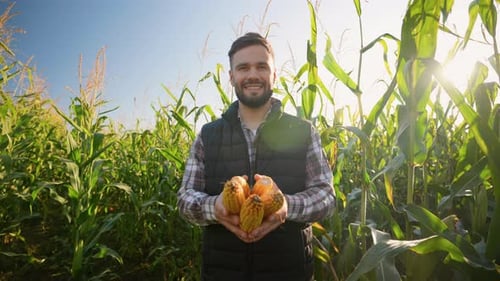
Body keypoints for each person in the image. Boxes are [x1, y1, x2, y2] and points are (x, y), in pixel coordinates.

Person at [177, 32, 335, 281]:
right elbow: (185, 199)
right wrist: (214, 207)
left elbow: (326, 196)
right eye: (243, 68)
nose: (252, 75)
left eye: (262, 66)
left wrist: (285, 206)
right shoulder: (208, 136)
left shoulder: (303, 132)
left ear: (274, 74)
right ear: (231, 77)